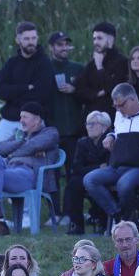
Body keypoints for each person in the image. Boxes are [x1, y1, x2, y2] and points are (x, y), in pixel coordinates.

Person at [83, 83, 139, 227]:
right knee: (90, 179)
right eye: (116, 106)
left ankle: (128, 220)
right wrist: (110, 136)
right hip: (117, 167)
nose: (118, 109)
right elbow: (117, 131)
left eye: (121, 105)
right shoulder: (120, 115)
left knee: (124, 184)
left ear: (132, 99)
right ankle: (119, 216)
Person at [0, 101, 60, 236]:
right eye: (21, 117)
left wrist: (13, 152)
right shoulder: (20, 134)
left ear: (37, 119)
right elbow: (0, 148)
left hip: (29, 174)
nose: (21, 120)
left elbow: (33, 146)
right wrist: (20, 141)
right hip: (12, 171)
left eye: (25, 117)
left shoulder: (50, 132)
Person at [0, 22, 54, 155]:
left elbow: (41, 94)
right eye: (26, 38)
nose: (31, 42)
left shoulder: (44, 63)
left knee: (23, 157)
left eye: (33, 38)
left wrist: (12, 94)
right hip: (9, 118)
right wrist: (25, 87)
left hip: (33, 120)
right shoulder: (12, 63)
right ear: (18, 40)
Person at [49, 31, 85, 204]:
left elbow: (90, 94)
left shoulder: (78, 68)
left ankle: (72, 211)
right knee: (51, 174)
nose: (64, 48)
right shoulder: (45, 68)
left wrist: (75, 90)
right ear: (51, 47)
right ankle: (55, 212)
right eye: (59, 44)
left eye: (66, 44)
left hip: (74, 131)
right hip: (52, 131)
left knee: (74, 173)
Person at [65, 110, 111, 235]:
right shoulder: (82, 142)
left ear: (104, 127)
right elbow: (76, 167)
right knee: (73, 183)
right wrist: (97, 167)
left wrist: (91, 169)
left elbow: (109, 165)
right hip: (85, 176)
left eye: (93, 123)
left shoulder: (109, 142)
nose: (89, 126)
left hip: (105, 178)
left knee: (97, 183)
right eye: (87, 124)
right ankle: (77, 225)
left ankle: (103, 222)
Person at [75, 22, 128, 119]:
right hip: (91, 120)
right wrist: (97, 94)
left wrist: (100, 68)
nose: (95, 42)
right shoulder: (91, 65)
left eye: (99, 38)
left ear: (111, 40)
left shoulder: (122, 62)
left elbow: (114, 90)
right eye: (94, 38)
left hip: (114, 119)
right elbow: (79, 91)